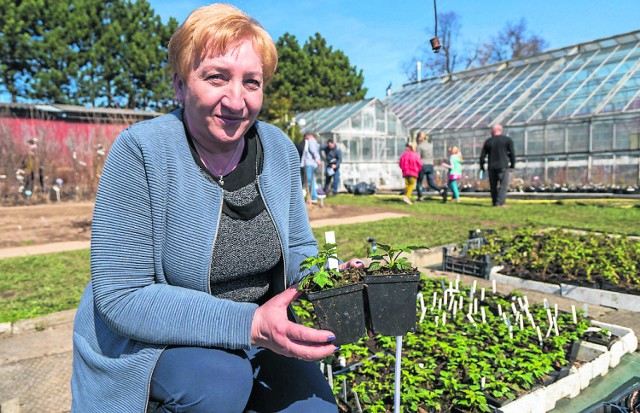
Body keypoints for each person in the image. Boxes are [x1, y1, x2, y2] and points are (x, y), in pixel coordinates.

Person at [70, 4, 363, 412]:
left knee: (317, 409)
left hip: (259, 328)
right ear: (179, 85)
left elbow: (297, 246)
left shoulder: (276, 148)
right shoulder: (142, 150)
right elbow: (122, 295)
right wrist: (250, 324)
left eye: (252, 82)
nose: (237, 100)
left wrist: (325, 279)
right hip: (159, 337)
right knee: (219, 382)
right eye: (216, 77)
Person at [480, 124, 516, 207]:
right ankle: (501, 202)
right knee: (503, 185)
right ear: (500, 130)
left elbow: (482, 156)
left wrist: (482, 167)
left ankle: (495, 202)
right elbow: (512, 153)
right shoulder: (507, 140)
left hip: (491, 166)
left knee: (493, 186)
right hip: (503, 166)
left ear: (493, 131)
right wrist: (512, 165)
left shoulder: (488, 141)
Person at [416, 132, 447, 203]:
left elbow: (418, 157)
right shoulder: (430, 145)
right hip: (430, 165)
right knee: (431, 182)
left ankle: (420, 198)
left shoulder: (419, 146)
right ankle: (441, 191)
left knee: (419, 182)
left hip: (423, 165)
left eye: (418, 137)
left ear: (420, 138)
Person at [300, 132, 322, 202]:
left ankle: (313, 197)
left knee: (310, 180)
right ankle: (313, 196)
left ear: (308, 135)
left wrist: (317, 159)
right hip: (311, 163)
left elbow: (313, 151)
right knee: (312, 180)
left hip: (310, 163)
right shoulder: (313, 141)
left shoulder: (311, 141)